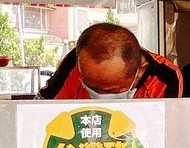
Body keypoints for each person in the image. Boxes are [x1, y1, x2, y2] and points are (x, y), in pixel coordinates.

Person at [39, 23, 182, 100]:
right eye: (89, 86)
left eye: (111, 91)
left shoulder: (167, 77)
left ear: (140, 71)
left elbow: (165, 135)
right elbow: (39, 113)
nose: (100, 96)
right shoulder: (76, 60)